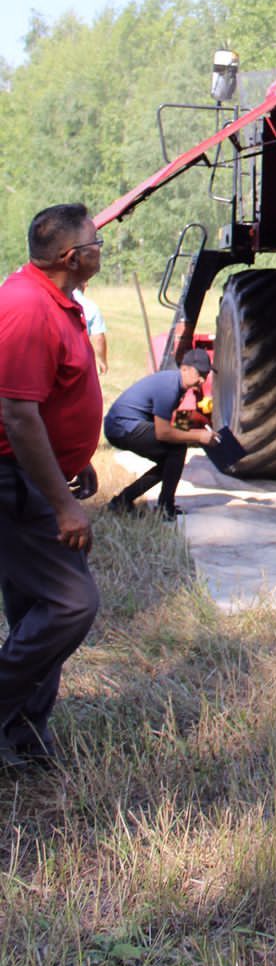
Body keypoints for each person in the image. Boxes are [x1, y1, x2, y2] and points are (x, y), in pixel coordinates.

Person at [0, 203, 104, 772]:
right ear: (71, 256)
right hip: (14, 483)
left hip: (36, 474)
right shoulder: (26, 307)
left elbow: (51, 398)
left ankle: (23, 734)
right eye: (95, 242)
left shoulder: (55, 300)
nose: (99, 250)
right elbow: (17, 415)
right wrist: (63, 506)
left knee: (36, 605)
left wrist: (75, 460)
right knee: (71, 603)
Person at [105, 350, 217, 519]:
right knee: (176, 449)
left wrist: (197, 429)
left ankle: (123, 501)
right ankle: (165, 508)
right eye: (199, 373)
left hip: (121, 425)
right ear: (184, 369)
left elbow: (175, 424)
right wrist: (199, 436)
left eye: (205, 375)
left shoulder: (176, 383)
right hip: (121, 426)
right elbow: (163, 432)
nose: (202, 380)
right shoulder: (169, 387)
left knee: (170, 461)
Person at [72, 287, 108, 376]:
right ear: (85, 284)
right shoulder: (90, 306)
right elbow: (99, 338)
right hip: (79, 360)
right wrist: (102, 360)